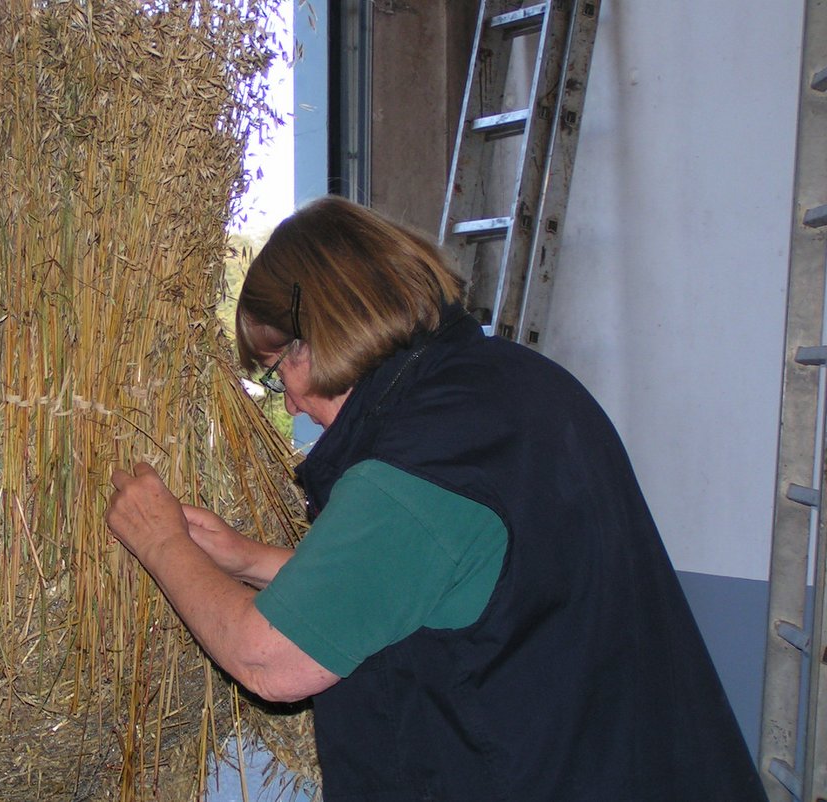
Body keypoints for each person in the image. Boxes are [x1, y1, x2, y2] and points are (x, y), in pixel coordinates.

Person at [105, 196, 766, 800]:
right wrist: (247, 559)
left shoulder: (426, 455)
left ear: (325, 332)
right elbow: (442, 586)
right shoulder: (504, 386)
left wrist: (161, 542)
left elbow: (268, 660)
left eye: (281, 372)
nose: (296, 406)